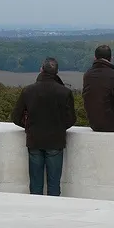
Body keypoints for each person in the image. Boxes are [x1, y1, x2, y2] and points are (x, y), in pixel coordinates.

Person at [12, 57, 76, 196]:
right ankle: (52, 215)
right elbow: (71, 119)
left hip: (34, 140)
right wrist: (58, 127)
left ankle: (36, 214)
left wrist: (29, 126)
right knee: (54, 186)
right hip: (55, 141)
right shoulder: (64, 92)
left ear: (41, 69)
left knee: (35, 186)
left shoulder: (28, 91)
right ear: (56, 72)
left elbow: (16, 117)